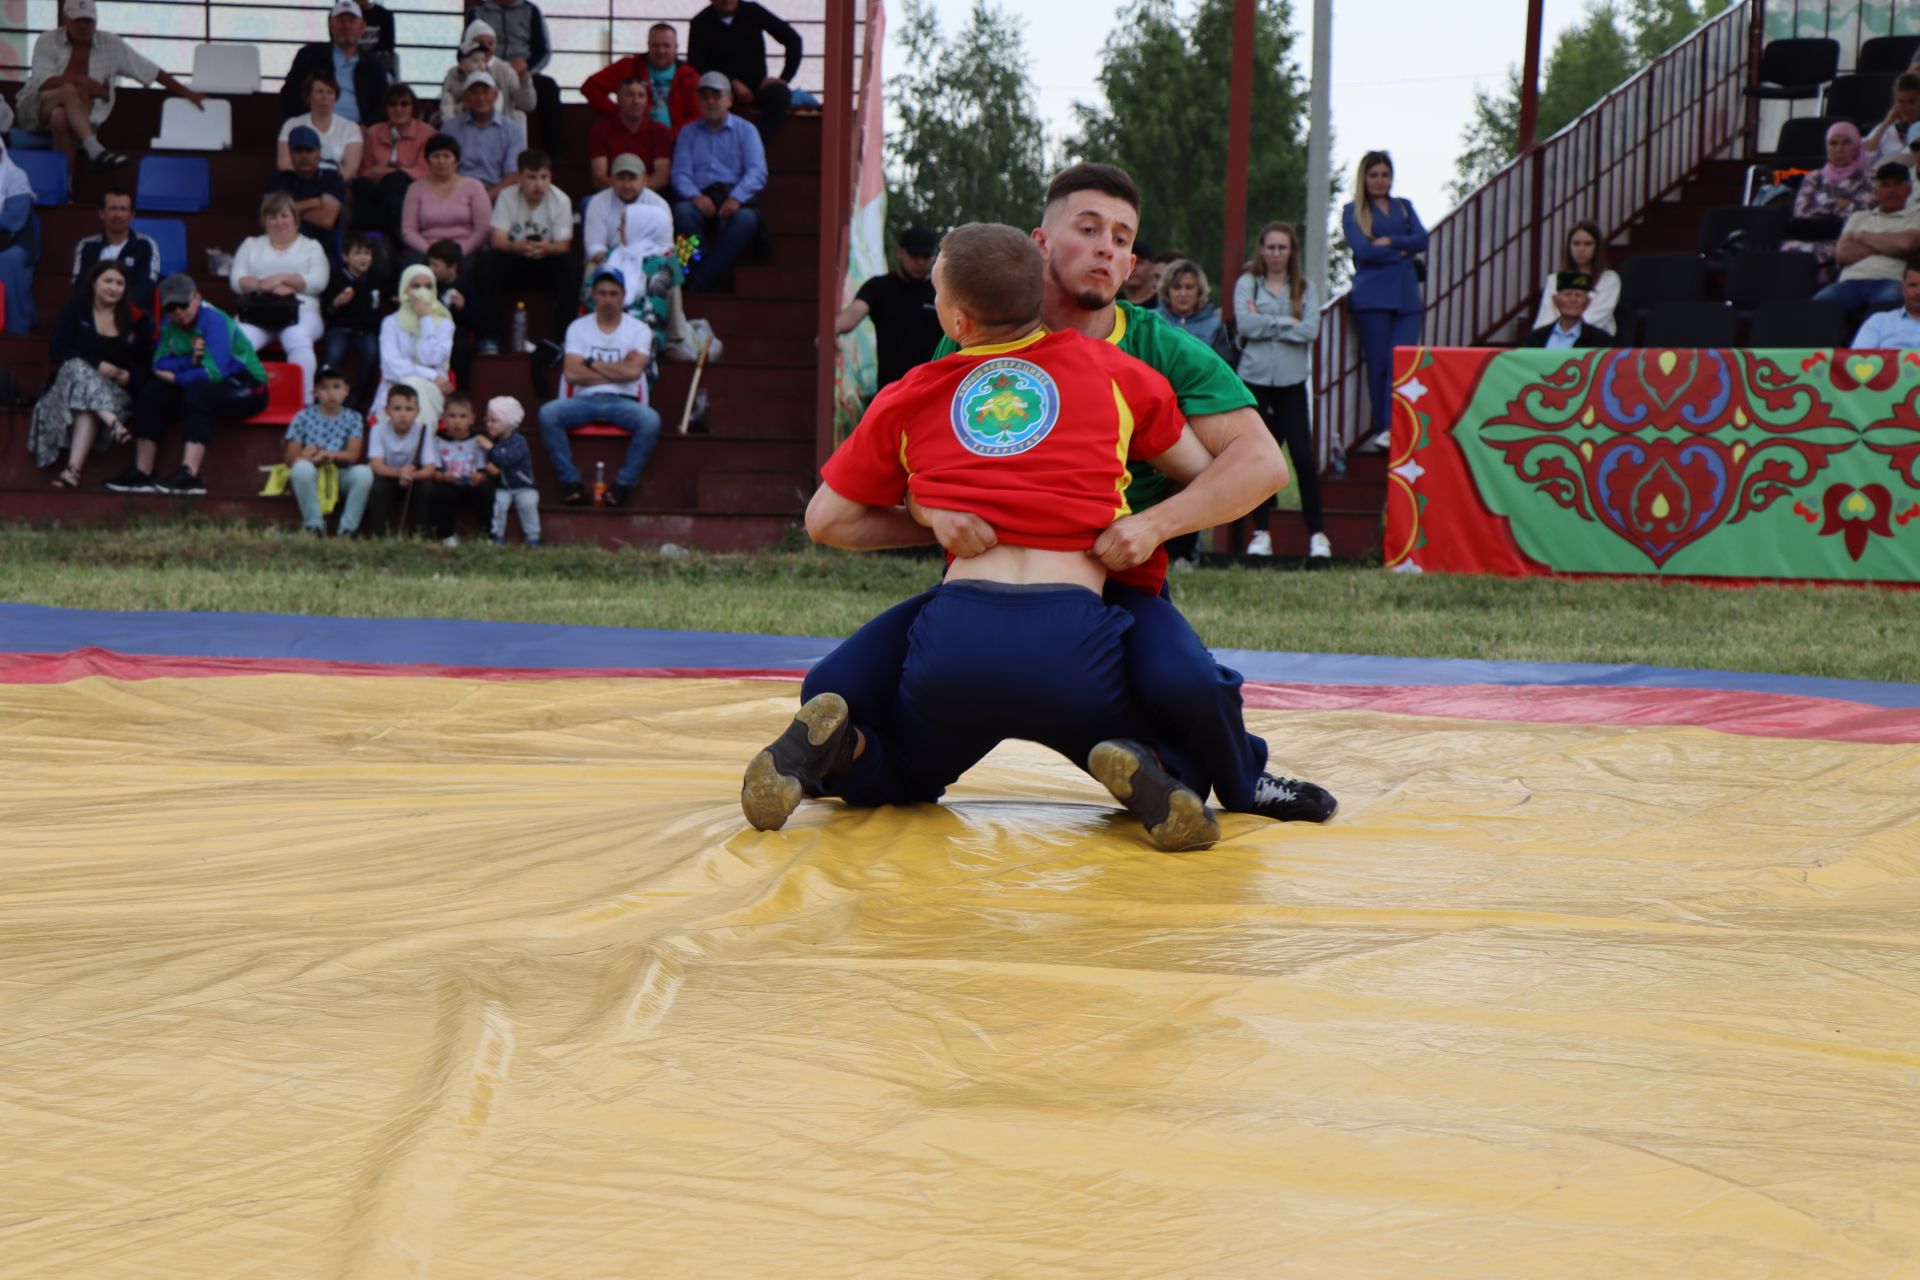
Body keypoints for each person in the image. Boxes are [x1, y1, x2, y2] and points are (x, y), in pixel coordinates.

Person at [810, 163, 1334, 827]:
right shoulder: (972, 338)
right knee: (839, 688)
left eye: (1123, 237)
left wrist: (1151, 526)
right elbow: (924, 468)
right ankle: (1149, 765)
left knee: (1188, 684)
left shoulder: (1155, 349)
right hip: (986, 588)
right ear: (1039, 244)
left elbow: (1260, 467)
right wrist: (932, 510)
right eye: (1089, 229)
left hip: (1114, 575)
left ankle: (1239, 780)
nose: (1109, 248)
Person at [745, 223, 1231, 849]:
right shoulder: (1113, 368)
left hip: (956, 633)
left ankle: (848, 748)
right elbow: (1202, 474)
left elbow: (826, 521)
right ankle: (1155, 766)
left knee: (906, 768)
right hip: (1077, 635)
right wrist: (1146, 521)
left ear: (956, 321)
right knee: (1161, 727)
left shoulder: (912, 392)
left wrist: (927, 515)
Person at [109, 274, 268, 495]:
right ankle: (142, 472)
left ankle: (190, 475)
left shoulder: (214, 321)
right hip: (203, 381)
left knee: (198, 393)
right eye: (171, 308)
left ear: (196, 299)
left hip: (247, 384)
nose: (178, 312)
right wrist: (190, 360)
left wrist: (177, 377)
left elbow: (214, 372)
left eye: (183, 305)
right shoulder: (169, 325)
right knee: (152, 391)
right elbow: (158, 363)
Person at [17, 0, 207, 172]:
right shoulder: (47, 41)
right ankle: (94, 148)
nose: (83, 25)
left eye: (88, 20)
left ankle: (65, 188)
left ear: (96, 22)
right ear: (67, 20)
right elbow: (43, 83)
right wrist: (82, 81)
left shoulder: (111, 44)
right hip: (35, 108)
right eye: (78, 20)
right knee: (68, 89)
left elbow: (150, 70)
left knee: (60, 117)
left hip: (81, 118)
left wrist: (188, 94)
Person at [1233, 221, 1327, 561]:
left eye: (1282, 248)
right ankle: (1261, 534)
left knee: (1302, 457)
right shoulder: (1248, 284)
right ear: (1261, 250)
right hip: (1255, 381)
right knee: (1258, 458)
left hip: (1291, 383)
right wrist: (1288, 322)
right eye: (1270, 247)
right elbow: (1245, 325)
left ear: (1292, 252)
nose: (1276, 254)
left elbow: (1311, 329)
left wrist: (1268, 323)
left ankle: (1317, 535)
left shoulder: (1304, 287)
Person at [539, 267, 661, 507]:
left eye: (613, 294)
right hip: (584, 401)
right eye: (602, 293)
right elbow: (572, 374)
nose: (607, 300)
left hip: (623, 402)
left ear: (623, 295)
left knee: (651, 421)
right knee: (548, 414)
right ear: (593, 295)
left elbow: (634, 372)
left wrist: (592, 363)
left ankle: (623, 484)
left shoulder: (639, 330)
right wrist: (619, 371)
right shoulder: (578, 327)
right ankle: (570, 483)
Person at [32, 259, 149, 488]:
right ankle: (113, 423)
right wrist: (97, 365)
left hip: (111, 393)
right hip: (66, 390)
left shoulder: (134, 320)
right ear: (94, 283)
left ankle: (72, 472)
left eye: (119, 283)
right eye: (107, 281)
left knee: (88, 408)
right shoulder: (75, 309)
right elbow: (58, 350)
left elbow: (145, 362)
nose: (113, 287)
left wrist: (129, 375)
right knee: (76, 365)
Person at [1343, 150, 1427, 453]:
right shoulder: (1352, 211)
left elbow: (1422, 240)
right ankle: (1385, 431)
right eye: (1374, 175)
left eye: (1385, 174)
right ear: (1364, 178)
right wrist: (1402, 253)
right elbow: (1362, 251)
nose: (1380, 181)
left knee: (1402, 362)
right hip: (1372, 299)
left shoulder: (1404, 207)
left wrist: (1391, 242)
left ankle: (1403, 428)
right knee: (1378, 366)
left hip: (1407, 298)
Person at [230, 191, 330, 405]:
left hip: (302, 310)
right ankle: (241, 397)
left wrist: (284, 278)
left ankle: (303, 402)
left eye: (284, 215)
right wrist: (263, 286)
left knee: (298, 337)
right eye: (272, 216)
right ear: (265, 221)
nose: (279, 222)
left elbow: (319, 282)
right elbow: (236, 281)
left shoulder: (311, 246)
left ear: (295, 218)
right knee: (237, 341)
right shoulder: (251, 245)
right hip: (258, 311)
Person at [670, 73, 767, 292]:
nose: (711, 101)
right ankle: (698, 267)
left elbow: (757, 172)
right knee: (682, 213)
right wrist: (695, 197)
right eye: (705, 96)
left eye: (717, 95)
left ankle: (700, 279)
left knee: (747, 221)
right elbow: (679, 174)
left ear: (730, 100)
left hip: (734, 199)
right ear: (698, 101)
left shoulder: (747, 131)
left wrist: (736, 198)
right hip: (699, 198)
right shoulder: (687, 132)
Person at [484, 148, 579, 348]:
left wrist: (547, 248)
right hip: (516, 259)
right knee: (488, 262)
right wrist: (515, 246)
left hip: (546, 261)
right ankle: (491, 337)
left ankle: (565, 337)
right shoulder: (507, 197)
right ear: (519, 177)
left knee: (569, 265)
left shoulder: (561, 200)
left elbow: (563, 245)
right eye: (532, 177)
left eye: (544, 177)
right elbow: (497, 239)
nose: (539, 184)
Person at [834, 225, 943, 392]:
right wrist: (831, 331)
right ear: (900, 252)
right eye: (914, 255)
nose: (920, 262)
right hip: (892, 391)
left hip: (934, 389)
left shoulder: (941, 291)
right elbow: (852, 314)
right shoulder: (879, 288)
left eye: (926, 256)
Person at [689, 0, 802, 141]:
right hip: (718, 90)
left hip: (756, 86)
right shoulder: (700, 23)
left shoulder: (753, 11)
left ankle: (755, 143)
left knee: (780, 94)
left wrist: (784, 78)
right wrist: (732, 83)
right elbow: (696, 64)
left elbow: (793, 40)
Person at [281, 366, 373, 536]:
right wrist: (304, 455)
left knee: (364, 473)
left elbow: (353, 456)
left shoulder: (354, 417)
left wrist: (328, 455)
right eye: (324, 388)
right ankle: (314, 526)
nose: (331, 393)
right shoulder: (303, 416)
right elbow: (289, 459)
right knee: (301, 468)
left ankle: (348, 530)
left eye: (337, 387)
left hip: (339, 474)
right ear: (315, 392)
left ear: (346, 390)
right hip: (312, 475)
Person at [1815, 163, 1920, 312]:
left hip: (1892, 280)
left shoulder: (1916, 215)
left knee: (1888, 306)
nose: (1891, 190)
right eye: (1885, 185)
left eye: (1897, 184)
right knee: (1819, 305)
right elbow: (1842, 254)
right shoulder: (1859, 217)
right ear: (1876, 191)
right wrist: (1890, 246)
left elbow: (1906, 244)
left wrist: (1862, 236)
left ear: (1908, 189)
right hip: (1850, 282)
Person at [464, 1, 562, 157]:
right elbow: (466, 49)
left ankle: (552, 154)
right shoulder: (478, 11)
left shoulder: (530, 10)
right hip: (487, 72)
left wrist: (524, 70)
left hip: (523, 72)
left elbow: (544, 52)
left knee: (548, 87)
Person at [1781, 122, 1875, 278]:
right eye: (1833, 143)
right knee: (1788, 249)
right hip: (1811, 236)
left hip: (1846, 239)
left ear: (1857, 146)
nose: (1839, 149)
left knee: (1819, 254)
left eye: (1846, 142)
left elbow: (1862, 214)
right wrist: (1840, 205)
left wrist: (1823, 208)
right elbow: (1801, 213)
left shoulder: (1868, 178)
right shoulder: (1814, 177)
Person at [280, 0, 390, 125]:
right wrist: (311, 122)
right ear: (331, 26)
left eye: (352, 20)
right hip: (313, 127)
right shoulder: (309, 56)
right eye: (341, 20)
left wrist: (364, 127)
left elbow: (384, 106)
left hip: (357, 133)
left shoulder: (373, 65)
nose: (346, 25)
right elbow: (289, 97)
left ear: (362, 27)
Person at [376, 264, 456, 430]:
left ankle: (418, 449)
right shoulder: (391, 322)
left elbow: (431, 358)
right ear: (405, 289)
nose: (422, 291)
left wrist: (425, 319)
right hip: (395, 384)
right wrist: (432, 375)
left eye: (428, 286)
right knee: (410, 386)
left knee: (415, 385)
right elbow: (391, 365)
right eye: (416, 286)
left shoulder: (444, 323)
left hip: (433, 389)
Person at [584, 23, 699, 135]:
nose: (661, 51)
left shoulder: (689, 76)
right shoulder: (629, 66)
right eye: (656, 45)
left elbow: (697, 115)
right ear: (648, 45)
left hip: (675, 140)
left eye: (666, 46)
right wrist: (618, 115)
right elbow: (590, 87)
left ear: (676, 48)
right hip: (633, 137)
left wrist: (674, 135)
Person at [400, 133, 491, 275]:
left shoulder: (474, 186)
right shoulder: (415, 189)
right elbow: (408, 230)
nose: (441, 161)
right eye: (436, 156)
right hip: (427, 248)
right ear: (427, 160)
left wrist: (459, 252)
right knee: (415, 266)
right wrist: (431, 251)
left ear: (456, 160)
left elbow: (482, 229)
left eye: (446, 156)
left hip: (464, 249)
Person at [352, 83, 433, 239]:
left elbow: (424, 172)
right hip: (377, 185)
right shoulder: (374, 131)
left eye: (404, 104)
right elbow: (366, 169)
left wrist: (395, 170)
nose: (398, 109)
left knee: (395, 181)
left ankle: (389, 235)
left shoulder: (427, 133)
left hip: (410, 186)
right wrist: (376, 172)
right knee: (360, 185)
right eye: (392, 104)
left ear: (413, 107)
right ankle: (365, 238)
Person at [320, 233, 388, 413]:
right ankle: (326, 397)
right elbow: (327, 310)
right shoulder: (336, 278)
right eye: (358, 253)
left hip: (366, 330)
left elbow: (386, 301)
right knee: (332, 356)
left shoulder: (376, 278)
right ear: (345, 257)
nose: (364, 258)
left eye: (367, 253)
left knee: (372, 354)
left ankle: (356, 397)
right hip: (340, 328)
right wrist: (337, 302)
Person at [440, 72, 527, 200]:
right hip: (457, 193)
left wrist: (485, 198)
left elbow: (512, 175)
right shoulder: (450, 128)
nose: (480, 98)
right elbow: (443, 169)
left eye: (485, 92)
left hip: (498, 194)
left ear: (495, 95)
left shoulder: (513, 130)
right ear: (466, 97)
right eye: (474, 92)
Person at [440, 19, 533, 132]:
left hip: (501, 130)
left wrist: (524, 79)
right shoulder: (454, 73)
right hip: (463, 129)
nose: (487, 48)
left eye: (491, 43)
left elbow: (528, 105)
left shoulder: (506, 70)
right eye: (481, 43)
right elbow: (446, 105)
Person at [420, 392, 489, 545]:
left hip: (471, 484)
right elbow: (435, 472)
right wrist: (443, 477)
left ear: (472, 419)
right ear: (443, 418)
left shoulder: (477, 441)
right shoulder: (437, 441)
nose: (457, 421)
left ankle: (486, 533)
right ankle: (446, 535)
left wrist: (478, 478)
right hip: (448, 483)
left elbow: (483, 472)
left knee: (486, 491)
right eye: (452, 416)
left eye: (463, 416)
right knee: (440, 493)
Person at [1530, 219, 1619, 334]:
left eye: (1587, 244)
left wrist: (1567, 334)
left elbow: (1596, 317)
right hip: (1556, 341)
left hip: (1593, 342)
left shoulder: (1609, 279)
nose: (1581, 249)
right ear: (1569, 247)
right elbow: (1545, 318)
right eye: (1576, 243)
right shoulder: (1555, 279)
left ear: (1597, 248)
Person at [363, 382, 430, 535]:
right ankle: (383, 534)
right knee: (378, 487)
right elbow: (377, 466)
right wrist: (400, 472)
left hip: (412, 477)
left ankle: (420, 534)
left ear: (417, 411)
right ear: (387, 411)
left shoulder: (423, 431)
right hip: (388, 475)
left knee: (427, 487)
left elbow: (430, 468)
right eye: (397, 408)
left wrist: (409, 475)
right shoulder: (377, 430)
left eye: (408, 409)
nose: (403, 414)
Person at [266, 126, 347, 248]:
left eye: (309, 150)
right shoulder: (278, 179)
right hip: (283, 247)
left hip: (323, 248)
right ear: (290, 153)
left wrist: (286, 211)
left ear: (319, 152)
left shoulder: (332, 178)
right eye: (298, 151)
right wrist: (315, 202)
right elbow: (270, 213)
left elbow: (326, 220)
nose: (304, 156)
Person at [588, 77, 674, 191]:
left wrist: (634, 192)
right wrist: (625, 192)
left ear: (647, 100)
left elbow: (661, 177)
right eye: (629, 95)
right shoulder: (600, 131)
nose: (636, 100)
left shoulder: (660, 131)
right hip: (611, 194)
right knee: (586, 203)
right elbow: (599, 178)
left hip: (649, 195)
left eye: (641, 96)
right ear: (618, 98)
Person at [69, 186, 159, 292]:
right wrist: (98, 306)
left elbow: (148, 282)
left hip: (131, 307)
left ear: (132, 215)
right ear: (101, 213)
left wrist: (119, 306)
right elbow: (79, 282)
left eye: (123, 209)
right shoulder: (87, 245)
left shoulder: (146, 245)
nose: (118, 215)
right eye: (113, 208)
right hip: (92, 307)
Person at [277, 73, 361, 176]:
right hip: (297, 185)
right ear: (308, 96)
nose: (325, 97)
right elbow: (284, 164)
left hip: (336, 185)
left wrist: (332, 185)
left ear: (335, 97)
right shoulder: (292, 124)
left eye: (330, 92)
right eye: (319, 92)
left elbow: (351, 166)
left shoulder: (351, 128)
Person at [482, 395, 540, 545]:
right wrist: (491, 471)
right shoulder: (497, 441)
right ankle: (497, 534)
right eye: (487, 420)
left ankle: (533, 536)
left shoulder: (518, 441)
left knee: (528, 504)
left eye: (494, 420)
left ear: (508, 421)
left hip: (523, 486)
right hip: (504, 488)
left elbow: (506, 459)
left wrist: (489, 447)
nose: (489, 424)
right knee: (498, 503)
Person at [426, 239, 482, 377]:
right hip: (430, 332)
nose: (431, 269)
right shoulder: (428, 283)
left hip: (457, 334)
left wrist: (462, 308)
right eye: (430, 264)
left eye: (436, 265)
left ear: (452, 267)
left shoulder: (467, 286)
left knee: (461, 347)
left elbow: (477, 321)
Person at [1158, 259, 1232, 361]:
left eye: (1189, 287)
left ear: (1199, 290)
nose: (1183, 293)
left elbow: (1222, 365)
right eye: (1176, 287)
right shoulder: (1154, 320)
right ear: (1167, 291)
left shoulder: (1215, 326)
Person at [0, 136, 37, 336]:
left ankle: (15, 330)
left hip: (15, 240)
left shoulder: (15, 176)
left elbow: (13, 220)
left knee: (8, 261)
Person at [1522, 273, 1615, 348]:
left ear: (1588, 302)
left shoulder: (1601, 341)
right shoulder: (1536, 338)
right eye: (1567, 294)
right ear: (1555, 300)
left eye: (1578, 295)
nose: (1573, 300)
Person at [1851, 257, 1920, 349]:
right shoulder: (1879, 322)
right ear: (1902, 289)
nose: (1918, 292)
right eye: (1912, 285)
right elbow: (1859, 358)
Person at [1865, 73, 1920, 167]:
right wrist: (1886, 123)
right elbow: (1866, 156)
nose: (1906, 108)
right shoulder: (1887, 129)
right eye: (1900, 101)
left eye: (1911, 102)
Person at [1120, 243, 1160, 308]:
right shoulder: (1110, 303)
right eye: (1128, 261)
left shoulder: (1165, 304)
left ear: (1153, 266)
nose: (1133, 268)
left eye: (1139, 262)